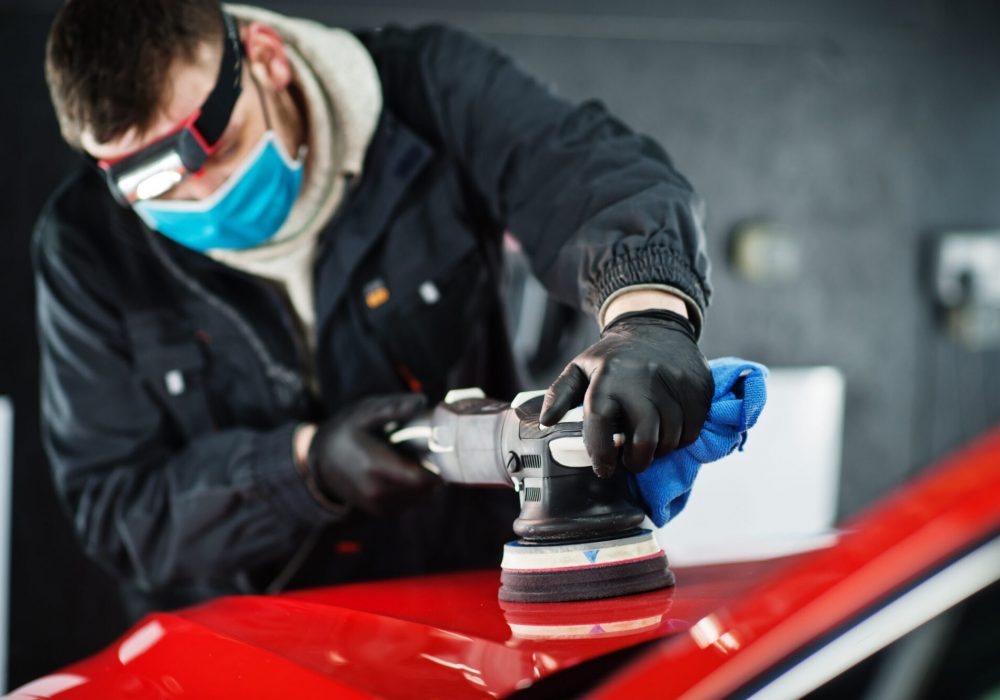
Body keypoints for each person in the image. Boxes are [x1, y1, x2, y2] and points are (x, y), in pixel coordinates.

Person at [36, 0, 714, 619]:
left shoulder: (427, 91)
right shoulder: (87, 245)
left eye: (216, 150)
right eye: (153, 186)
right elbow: (118, 508)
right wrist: (305, 467)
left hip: (467, 603)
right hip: (246, 640)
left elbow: (587, 174)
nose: (198, 199)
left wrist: (647, 314)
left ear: (266, 58)